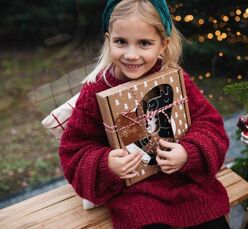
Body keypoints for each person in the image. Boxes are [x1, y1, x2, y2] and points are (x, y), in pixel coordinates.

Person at [59, 0, 230, 228]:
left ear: (162, 45)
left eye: (144, 43)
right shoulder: (96, 91)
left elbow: (210, 124)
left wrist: (188, 153)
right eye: (121, 42)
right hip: (136, 197)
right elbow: (74, 149)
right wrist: (106, 163)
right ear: (108, 40)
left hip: (187, 185)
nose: (131, 55)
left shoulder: (175, 78)